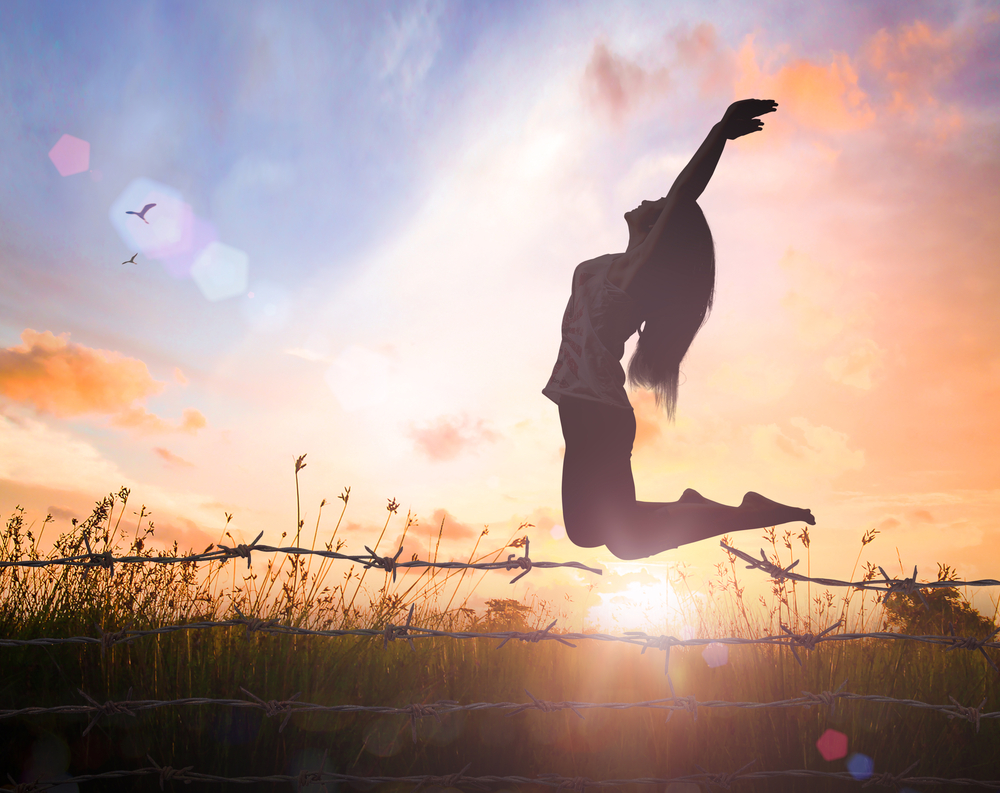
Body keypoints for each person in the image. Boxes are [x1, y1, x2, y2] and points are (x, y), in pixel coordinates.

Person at [542, 98, 815, 561]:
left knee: (606, 536)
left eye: (660, 205)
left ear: (658, 230)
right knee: (596, 531)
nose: (652, 201)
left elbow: (685, 192)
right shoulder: (615, 267)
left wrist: (720, 132)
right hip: (586, 409)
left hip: (597, 413)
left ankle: (738, 513)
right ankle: (701, 507)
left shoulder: (632, 278)